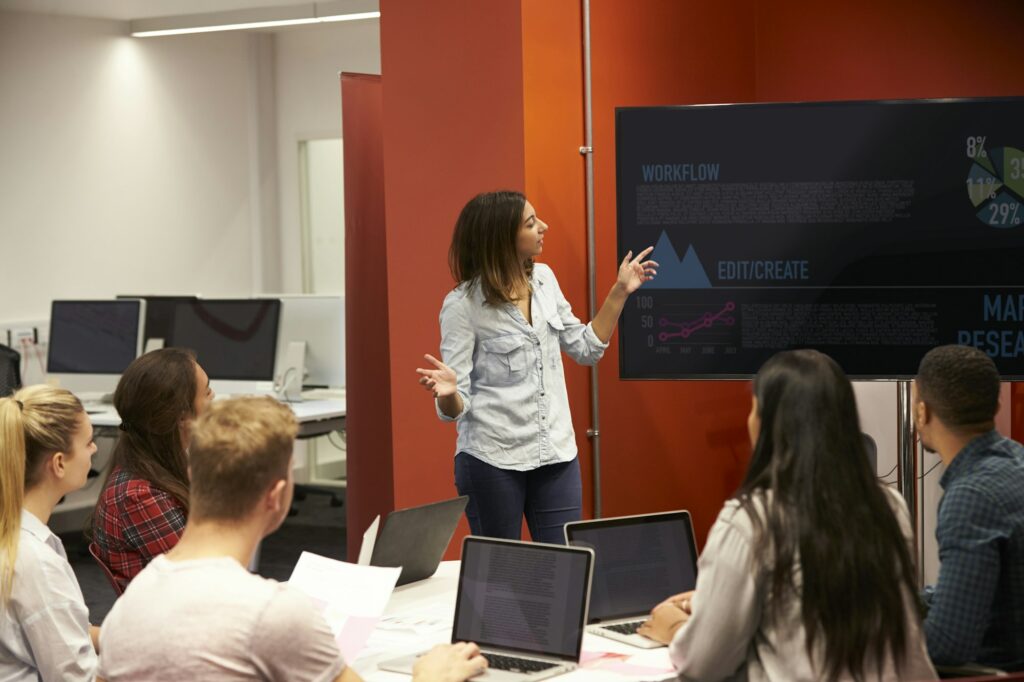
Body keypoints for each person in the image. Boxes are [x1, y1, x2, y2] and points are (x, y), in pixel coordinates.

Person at [98, 396, 487, 682]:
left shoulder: (130, 605)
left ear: (195, 478)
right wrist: (432, 677)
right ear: (276, 495)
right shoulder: (273, 613)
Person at [639, 350, 936, 681]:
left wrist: (677, 627)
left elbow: (704, 664)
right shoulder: (889, 506)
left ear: (768, 426)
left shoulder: (751, 519)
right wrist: (711, 601)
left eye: (754, 408)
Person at [416, 190, 656, 543]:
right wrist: (448, 393)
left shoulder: (545, 280)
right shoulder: (463, 305)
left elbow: (586, 348)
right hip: (492, 459)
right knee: (502, 571)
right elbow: (454, 409)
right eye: (531, 223)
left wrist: (620, 291)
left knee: (563, 569)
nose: (543, 227)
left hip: (556, 455)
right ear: (502, 238)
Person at [913, 344, 1024, 671]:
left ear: (922, 412)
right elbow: (978, 588)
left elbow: (947, 646)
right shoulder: (1016, 460)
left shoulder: (970, 497)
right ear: (996, 403)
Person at [91, 347, 214, 591]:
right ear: (181, 416)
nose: (214, 397)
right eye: (207, 391)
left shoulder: (153, 467)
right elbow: (201, 582)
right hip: (181, 620)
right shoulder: (140, 497)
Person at [0, 386, 100, 681]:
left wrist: (122, 639)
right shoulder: (34, 563)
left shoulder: (19, 538)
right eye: (89, 442)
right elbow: (80, 678)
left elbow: (63, 628)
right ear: (58, 463)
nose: (94, 449)